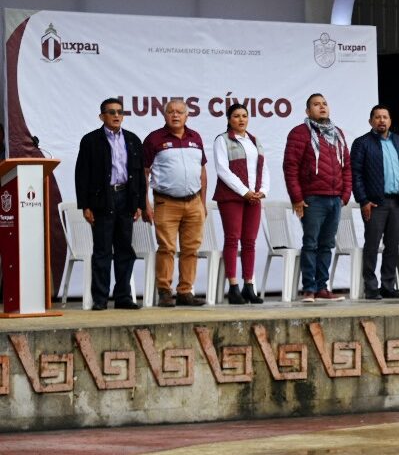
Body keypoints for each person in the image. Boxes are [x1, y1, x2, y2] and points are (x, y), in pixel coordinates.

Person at [74, 98, 145, 311]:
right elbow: (81, 174)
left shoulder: (132, 140)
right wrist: (85, 205)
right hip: (102, 200)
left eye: (119, 112)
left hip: (126, 198)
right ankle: (100, 299)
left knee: (125, 250)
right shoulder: (91, 140)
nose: (116, 115)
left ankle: (123, 296)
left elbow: (139, 174)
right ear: (101, 116)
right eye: (111, 112)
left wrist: (139, 203)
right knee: (103, 250)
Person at [283, 93, 352, 302]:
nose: (321, 107)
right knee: (311, 243)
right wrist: (296, 197)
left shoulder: (337, 133)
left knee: (327, 244)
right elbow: (290, 167)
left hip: (334, 199)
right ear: (307, 111)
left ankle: (322, 288)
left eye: (324, 104)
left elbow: (346, 166)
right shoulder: (299, 133)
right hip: (312, 199)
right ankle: (309, 289)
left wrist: (345, 194)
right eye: (316, 104)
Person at [143, 99, 208, 307]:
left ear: (187, 115)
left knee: (191, 249)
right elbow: (144, 172)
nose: (175, 115)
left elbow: (202, 171)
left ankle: (185, 291)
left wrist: (203, 202)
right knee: (167, 248)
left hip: (194, 202)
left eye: (180, 112)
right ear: (164, 115)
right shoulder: (154, 139)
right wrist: (145, 202)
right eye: (171, 111)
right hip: (166, 202)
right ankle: (164, 291)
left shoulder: (195, 137)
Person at [351, 105, 399, 299]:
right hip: (375, 203)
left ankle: (388, 285)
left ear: (390, 121)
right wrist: (363, 200)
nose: (381, 121)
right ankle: (370, 286)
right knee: (372, 245)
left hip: (396, 202)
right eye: (377, 117)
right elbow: (356, 174)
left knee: (392, 245)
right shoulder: (362, 143)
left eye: (385, 117)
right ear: (371, 121)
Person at [211, 103, 269, 305]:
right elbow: (222, 170)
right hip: (232, 197)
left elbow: (264, 167)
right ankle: (233, 287)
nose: (241, 119)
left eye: (244, 115)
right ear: (229, 119)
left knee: (250, 242)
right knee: (232, 239)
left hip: (253, 198)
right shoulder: (222, 140)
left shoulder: (254, 140)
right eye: (236, 116)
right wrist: (244, 191)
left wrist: (262, 191)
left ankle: (249, 286)